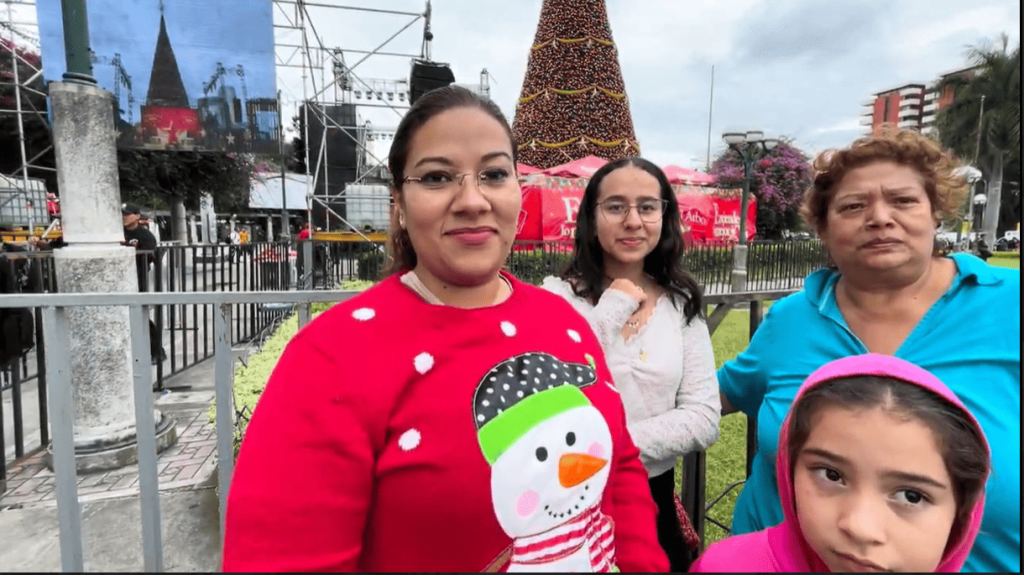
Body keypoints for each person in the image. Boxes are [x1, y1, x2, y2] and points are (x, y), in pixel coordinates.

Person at [222, 85, 668, 572]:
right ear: (399, 201)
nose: (472, 200)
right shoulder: (333, 356)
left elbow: (621, 471)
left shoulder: (565, 323)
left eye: (494, 174)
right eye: (437, 177)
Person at [715, 126, 1020, 573]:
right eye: (853, 206)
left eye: (903, 201)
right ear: (823, 227)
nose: (879, 217)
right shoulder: (791, 319)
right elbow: (715, 395)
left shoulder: (1010, 306)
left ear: (936, 214)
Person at [542, 157, 720, 570]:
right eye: (616, 206)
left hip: (654, 500)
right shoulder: (556, 298)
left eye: (647, 206)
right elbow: (562, 391)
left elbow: (703, 417)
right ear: (591, 216)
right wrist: (615, 305)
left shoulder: (680, 303)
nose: (633, 220)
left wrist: (609, 448)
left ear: (664, 216)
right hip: (568, 500)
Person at [693, 354, 990, 572]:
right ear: (789, 469)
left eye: (911, 496)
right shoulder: (723, 566)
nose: (860, 527)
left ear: (962, 512)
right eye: (832, 475)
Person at [122, 204, 165, 366]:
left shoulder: (145, 235)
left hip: (137, 278)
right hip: (119, 280)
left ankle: (156, 351)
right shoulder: (117, 233)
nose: (124, 217)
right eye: (123, 214)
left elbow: (151, 255)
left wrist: (133, 251)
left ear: (137, 216)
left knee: (140, 316)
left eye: (127, 214)